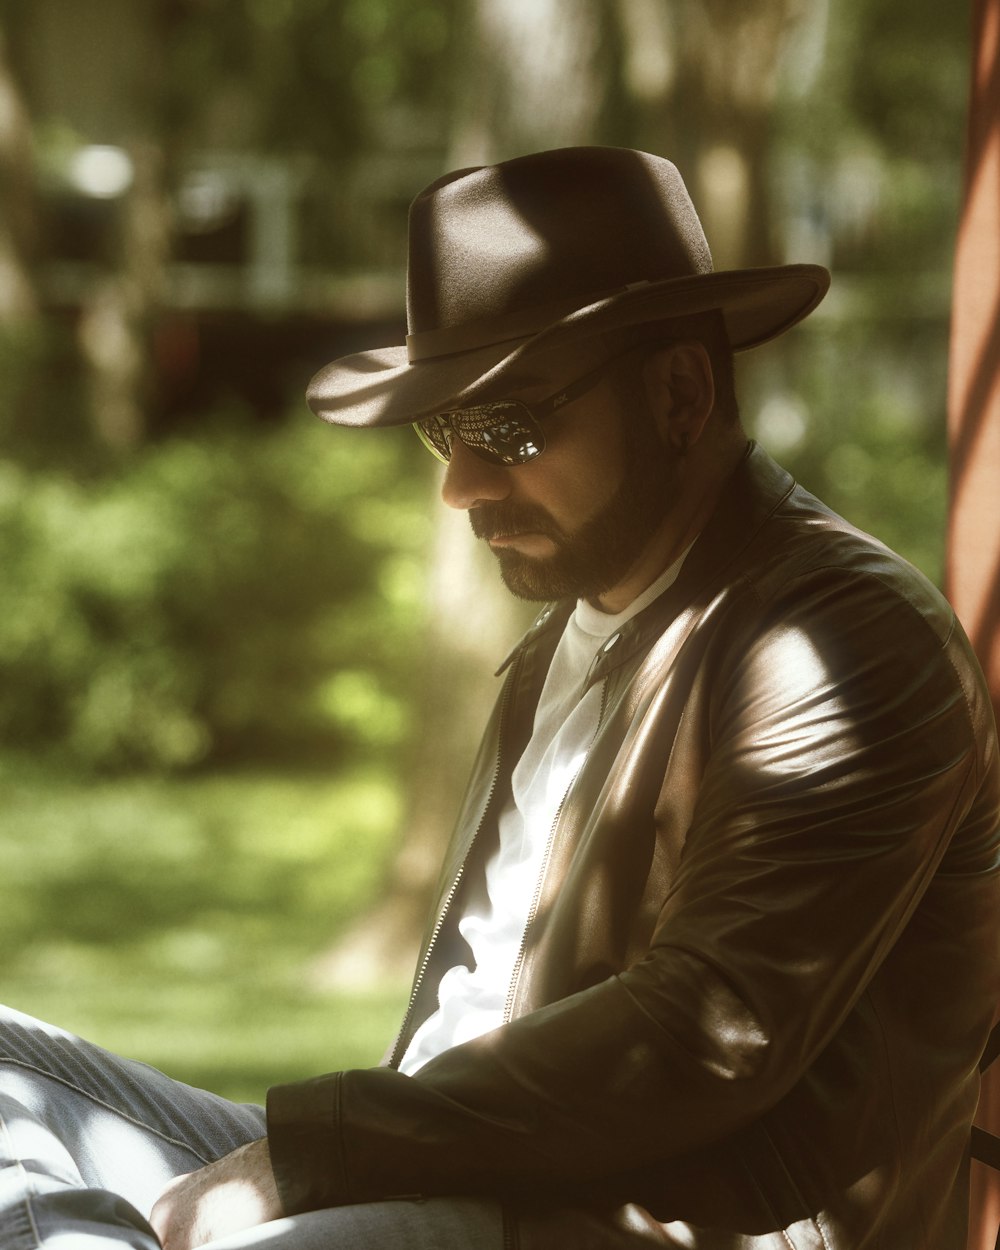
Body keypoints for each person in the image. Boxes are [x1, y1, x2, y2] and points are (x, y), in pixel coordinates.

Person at [1, 146, 998, 1250]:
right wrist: (317, 1165)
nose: (462, 486)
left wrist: (303, 1156)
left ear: (679, 394)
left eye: (509, 426)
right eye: (445, 428)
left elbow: (701, 1035)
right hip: (449, 1174)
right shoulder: (564, 638)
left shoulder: (840, 642)